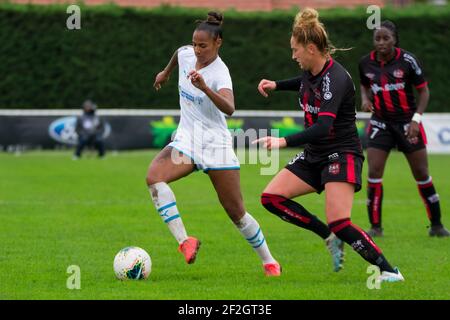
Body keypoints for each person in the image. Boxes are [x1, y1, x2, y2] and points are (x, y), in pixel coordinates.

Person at [254, 8, 403, 282]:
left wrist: (283, 141)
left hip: (341, 154)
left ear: (311, 48)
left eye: (295, 50)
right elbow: (303, 82)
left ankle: (389, 271)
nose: (293, 55)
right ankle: (328, 236)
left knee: (341, 221)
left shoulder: (337, 78)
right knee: (271, 198)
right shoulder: (312, 71)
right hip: (315, 154)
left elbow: (323, 127)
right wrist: (276, 84)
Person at [150, 12, 281, 276]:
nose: (197, 50)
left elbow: (230, 107)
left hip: (215, 146)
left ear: (218, 43)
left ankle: (269, 261)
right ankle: (185, 241)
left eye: (203, 46)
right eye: (195, 44)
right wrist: (165, 73)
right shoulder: (187, 53)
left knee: (237, 213)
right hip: (186, 139)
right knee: (154, 177)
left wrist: (205, 88)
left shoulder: (220, 73)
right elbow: (178, 53)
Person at [359, 21, 449, 237]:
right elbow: (364, 84)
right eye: (377, 38)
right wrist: (365, 98)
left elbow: (424, 92)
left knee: (421, 172)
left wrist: (416, 120)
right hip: (380, 123)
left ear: (394, 39)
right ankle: (375, 227)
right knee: (373, 171)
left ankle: (436, 225)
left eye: (386, 38)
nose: (381, 43)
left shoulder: (408, 61)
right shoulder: (365, 63)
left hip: (408, 124)